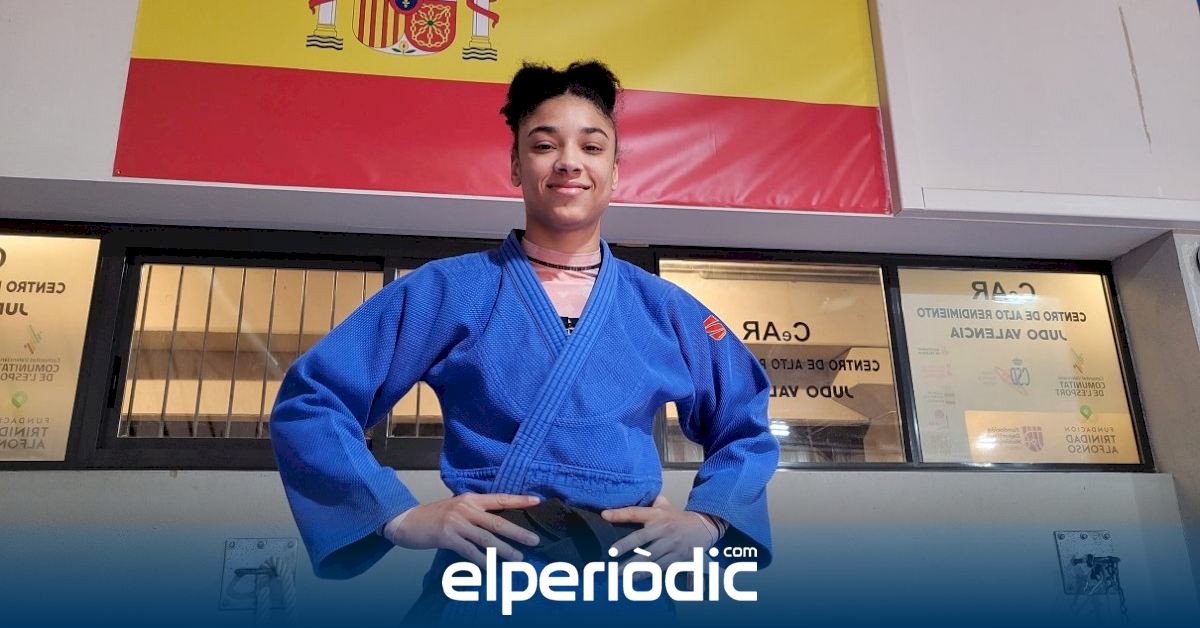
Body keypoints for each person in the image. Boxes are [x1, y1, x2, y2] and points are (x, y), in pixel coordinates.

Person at [269, 60, 779, 621]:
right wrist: (397, 515)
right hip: (489, 575)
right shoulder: (449, 289)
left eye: (592, 147)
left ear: (615, 170)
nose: (569, 162)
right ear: (516, 164)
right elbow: (313, 399)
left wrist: (708, 521)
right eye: (543, 145)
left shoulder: (666, 308)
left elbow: (744, 423)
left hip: (626, 581)